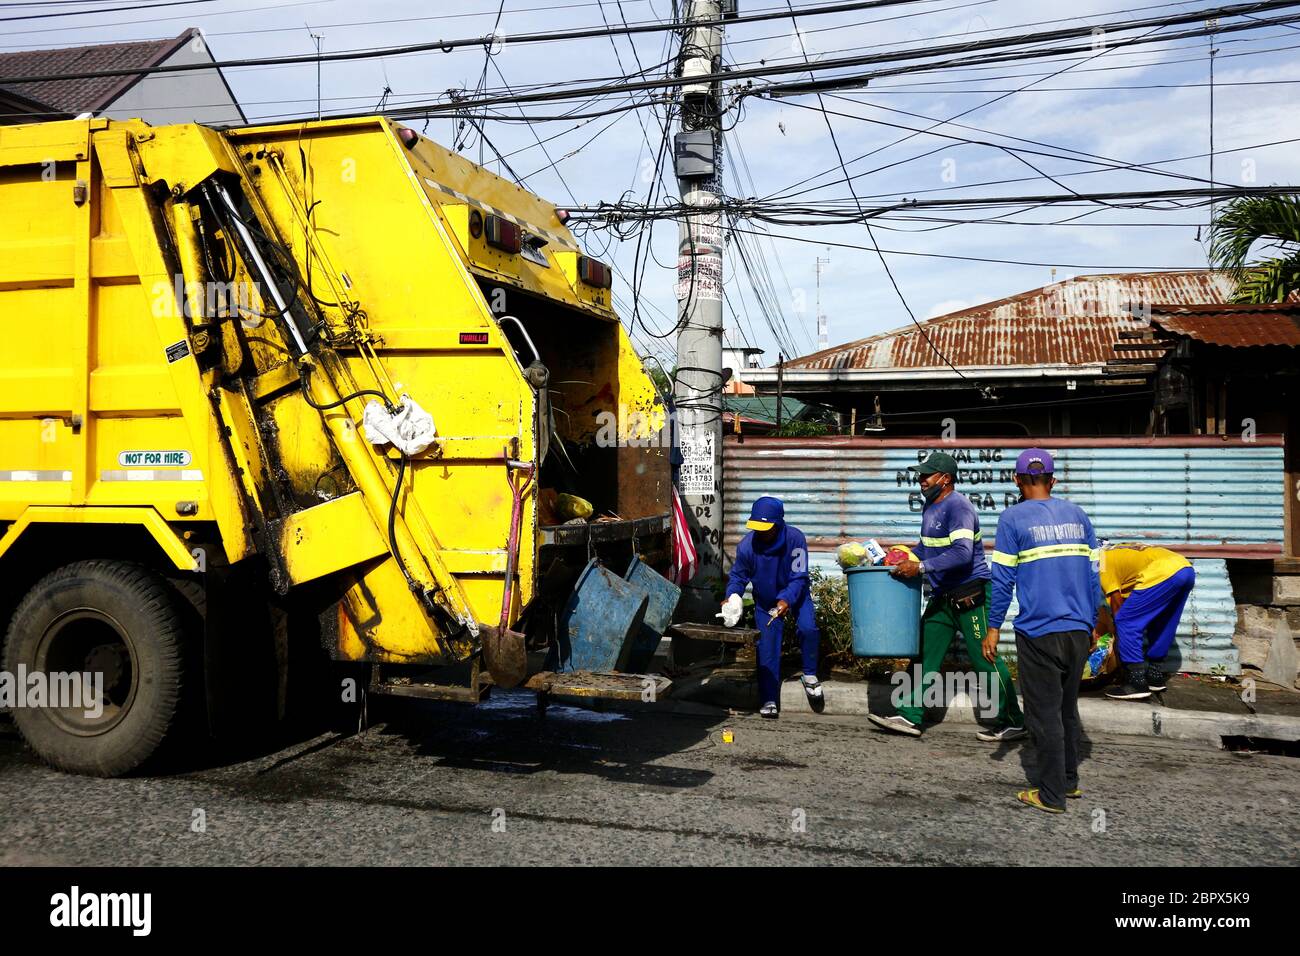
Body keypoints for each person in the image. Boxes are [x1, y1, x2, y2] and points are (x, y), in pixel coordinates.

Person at [867, 451, 1026, 741]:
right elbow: (928, 546)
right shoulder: (930, 507)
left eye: (926, 475)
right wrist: (904, 556)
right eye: (920, 475)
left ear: (945, 478)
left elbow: (963, 554)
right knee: (924, 652)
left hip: (971, 595)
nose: (921, 480)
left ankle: (1014, 721)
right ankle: (909, 715)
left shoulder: (959, 507)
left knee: (985, 658)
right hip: (943, 596)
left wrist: (921, 566)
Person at [985, 448, 1103, 815]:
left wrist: (992, 627)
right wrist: (1095, 621)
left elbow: (1002, 580)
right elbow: (1094, 573)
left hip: (1039, 633)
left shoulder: (1012, 519)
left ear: (1017, 480)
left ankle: (1050, 795)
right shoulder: (1078, 515)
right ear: (1053, 480)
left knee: (1043, 714)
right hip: (1078, 631)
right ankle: (1067, 781)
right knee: (1067, 709)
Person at [724, 496, 822, 719]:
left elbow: (799, 577)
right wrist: (732, 596)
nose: (760, 532)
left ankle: (809, 675)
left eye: (765, 528)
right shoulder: (747, 546)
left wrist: (787, 599)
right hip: (766, 602)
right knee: (767, 647)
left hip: (795, 594)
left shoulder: (795, 539)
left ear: (778, 524)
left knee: (808, 628)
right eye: (756, 527)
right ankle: (768, 698)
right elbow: (738, 577)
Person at [1098, 545, 1195, 700]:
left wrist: (1119, 639)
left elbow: (1117, 607)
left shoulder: (1100, 562)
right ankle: (1154, 675)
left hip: (1163, 571)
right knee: (1164, 621)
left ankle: (1135, 682)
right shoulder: (1116, 551)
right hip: (1185, 568)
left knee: (1125, 620)